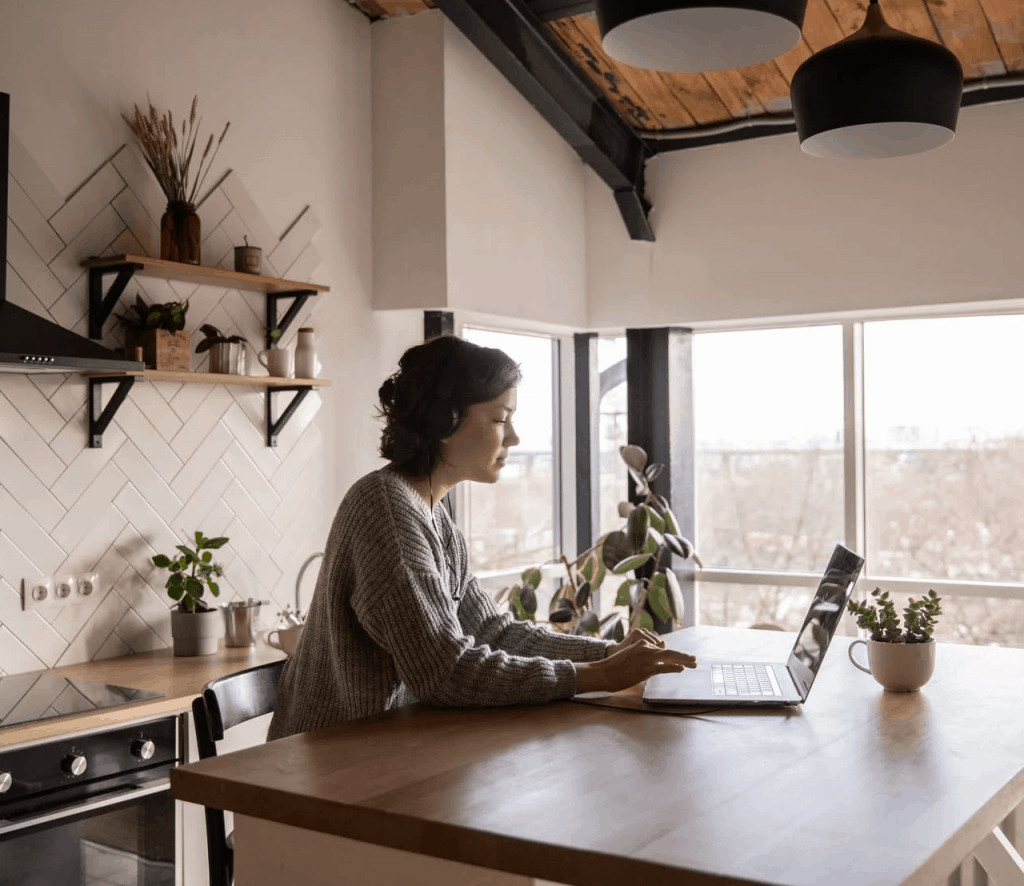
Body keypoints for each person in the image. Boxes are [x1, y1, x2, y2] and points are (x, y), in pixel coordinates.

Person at [268, 335, 696, 740]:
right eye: (500, 419)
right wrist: (598, 676)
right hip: (321, 768)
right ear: (443, 422)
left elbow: (491, 631)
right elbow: (445, 672)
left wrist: (608, 654)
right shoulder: (387, 513)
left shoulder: (430, 514)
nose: (514, 437)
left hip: (383, 747)